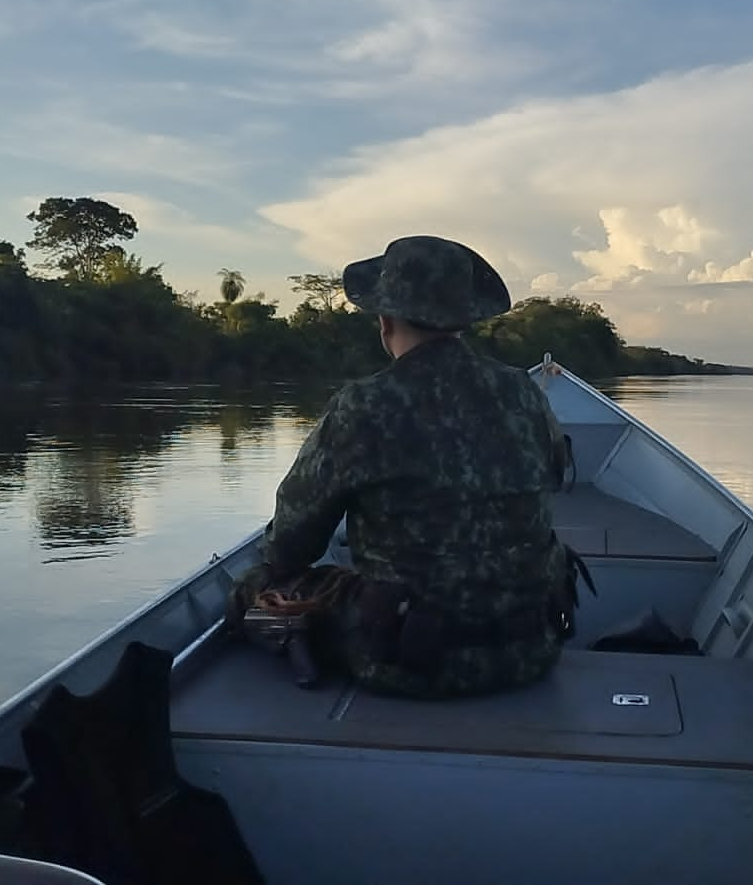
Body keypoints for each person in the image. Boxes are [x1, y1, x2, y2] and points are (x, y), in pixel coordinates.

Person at [225, 235, 578, 699]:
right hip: (531, 648)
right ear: (463, 319)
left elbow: (294, 543)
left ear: (384, 321)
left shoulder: (363, 405)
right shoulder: (524, 392)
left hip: (407, 664)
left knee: (260, 584)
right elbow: (554, 476)